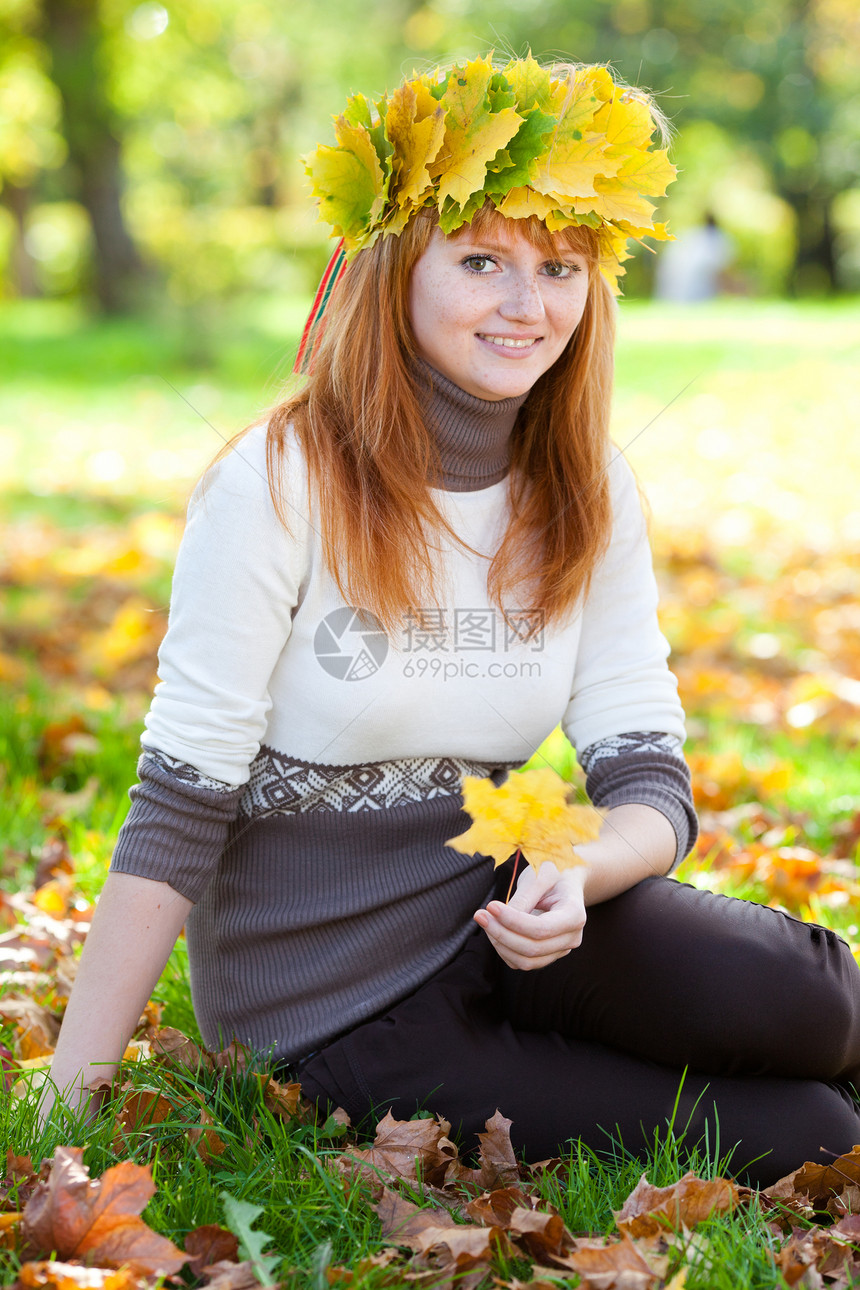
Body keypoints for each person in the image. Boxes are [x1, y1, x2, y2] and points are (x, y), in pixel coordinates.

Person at [45, 56, 860, 1187]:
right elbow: (180, 802)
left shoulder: (585, 488)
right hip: (334, 1008)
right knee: (814, 1130)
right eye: (481, 260)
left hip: (500, 903)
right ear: (395, 271)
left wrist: (576, 876)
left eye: (558, 267)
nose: (527, 307)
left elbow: (647, 781)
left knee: (816, 1004)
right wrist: (66, 1102)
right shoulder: (280, 482)